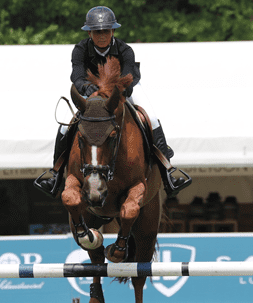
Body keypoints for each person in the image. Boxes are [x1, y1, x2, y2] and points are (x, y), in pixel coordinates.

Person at [34, 6, 191, 199]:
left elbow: (129, 77)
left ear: (113, 31)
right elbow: (77, 74)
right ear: (89, 32)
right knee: (65, 126)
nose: (101, 35)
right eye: (97, 31)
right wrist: (84, 87)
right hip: (91, 94)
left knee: (152, 117)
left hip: (121, 90)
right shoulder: (80, 49)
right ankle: (56, 174)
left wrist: (117, 92)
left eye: (106, 31)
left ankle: (168, 171)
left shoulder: (125, 50)